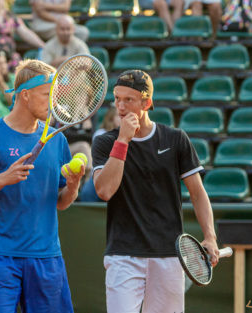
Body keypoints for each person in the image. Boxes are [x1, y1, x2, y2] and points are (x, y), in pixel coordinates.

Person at [0, 59, 84, 312]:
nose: (54, 103)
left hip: (47, 257)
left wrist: (72, 187)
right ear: (25, 95)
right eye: (47, 95)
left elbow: (61, 203)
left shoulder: (58, 141)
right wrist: (5, 177)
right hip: (0, 258)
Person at [91, 70, 220, 313]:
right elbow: (105, 190)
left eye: (128, 100)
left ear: (146, 102)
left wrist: (210, 236)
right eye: (117, 98)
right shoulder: (105, 142)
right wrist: (123, 142)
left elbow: (198, 193)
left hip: (169, 255)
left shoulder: (176, 139)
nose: (120, 106)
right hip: (123, 255)